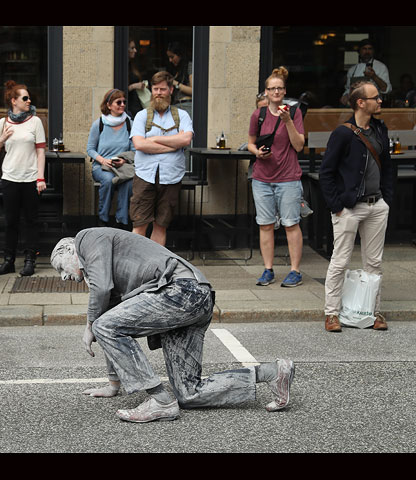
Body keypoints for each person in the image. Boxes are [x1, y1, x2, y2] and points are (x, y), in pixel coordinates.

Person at [50, 228, 295, 423]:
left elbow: (101, 296)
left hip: (181, 291)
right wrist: (114, 384)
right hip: (197, 298)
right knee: (189, 393)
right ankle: (272, 373)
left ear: (69, 249)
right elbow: (112, 318)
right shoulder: (106, 264)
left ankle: (159, 401)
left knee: (103, 325)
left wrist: (90, 324)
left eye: (61, 267)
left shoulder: (86, 238)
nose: (63, 277)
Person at [319, 80, 393, 333]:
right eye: (376, 97)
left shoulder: (379, 129)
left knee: (374, 263)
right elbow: (326, 173)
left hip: (377, 205)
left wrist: (387, 199)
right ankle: (331, 314)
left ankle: (373, 312)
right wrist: (338, 207)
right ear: (361, 103)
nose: (380, 101)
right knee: (340, 261)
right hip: (349, 207)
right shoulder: (342, 133)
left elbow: (388, 166)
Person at [247, 66, 305, 288]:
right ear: (266, 92)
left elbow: (299, 146)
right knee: (265, 224)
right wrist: (257, 153)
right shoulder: (258, 115)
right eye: (272, 89)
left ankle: (295, 271)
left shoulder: (294, 112)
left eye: (279, 88)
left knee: (291, 224)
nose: (276, 92)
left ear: (284, 90)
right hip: (262, 178)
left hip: (288, 177)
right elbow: (251, 143)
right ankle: (268, 269)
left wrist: (288, 120)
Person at [129, 71, 193, 247]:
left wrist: (154, 139)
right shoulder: (142, 116)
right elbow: (139, 145)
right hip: (145, 175)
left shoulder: (182, 116)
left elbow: (186, 140)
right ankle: (136, 266)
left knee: (161, 225)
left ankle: (155, 266)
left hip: (171, 176)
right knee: (140, 223)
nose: (158, 93)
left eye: (162, 89)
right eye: (155, 89)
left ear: (171, 90)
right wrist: (174, 144)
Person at [0, 81, 46, 276]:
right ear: (14, 101)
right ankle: (9, 260)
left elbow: (40, 152)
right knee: (10, 221)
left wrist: (40, 178)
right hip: (10, 178)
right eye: (25, 98)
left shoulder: (35, 122)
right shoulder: (3, 122)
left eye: (29, 97)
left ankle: (30, 260)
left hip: (30, 178)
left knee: (31, 221)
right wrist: (3, 138)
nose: (29, 100)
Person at [87, 89, 135, 229]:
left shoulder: (129, 124)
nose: (122, 105)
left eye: (124, 102)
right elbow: (90, 149)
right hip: (101, 166)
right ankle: (103, 218)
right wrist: (103, 160)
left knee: (128, 183)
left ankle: (122, 220)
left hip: (122, 166)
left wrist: (124, 161)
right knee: (108, 180)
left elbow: (134, 149)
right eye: (118, 102)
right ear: (108, 105)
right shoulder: (99, 124)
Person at [340, 39, 391, 107]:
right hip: (355, 107)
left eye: (370, 49)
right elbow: (348, 89)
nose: (367, 51)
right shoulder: (352, 70)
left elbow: (386, 89)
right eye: (364, 49)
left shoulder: (381, 67)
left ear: (373, 51)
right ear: (359, 51)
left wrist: (374, 77)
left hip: (373, 106)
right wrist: (345, 96)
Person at [166, 42, 193, 118]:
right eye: (169, 57)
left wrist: (176, 83)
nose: (170, 60)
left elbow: (193, 91)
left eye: (172, 57)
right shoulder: (175, 70)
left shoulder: (189, 66)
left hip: (186, 106)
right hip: (174, 106)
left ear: (179, 55)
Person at [127, 40, 147, 119]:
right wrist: (134, 86)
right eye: (132, 48)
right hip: (130, 105)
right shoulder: (122, 66)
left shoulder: (131, 65)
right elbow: (120, 90)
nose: (135, 50)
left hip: (137, 103)